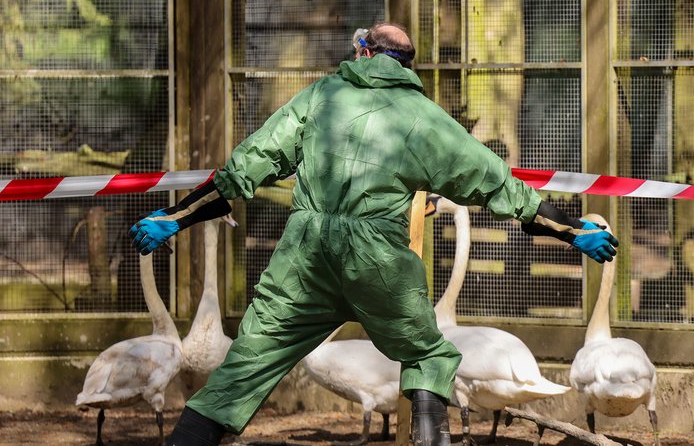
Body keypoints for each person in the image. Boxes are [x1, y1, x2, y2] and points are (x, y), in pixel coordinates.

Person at [129, 22, 618, 446]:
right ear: (408, 67)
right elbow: (501, 189)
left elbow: (240, 173)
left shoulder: (321, 96)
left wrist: (174, 218)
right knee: (426, 354)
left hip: (303, 261)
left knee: (239, 372)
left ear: (362, 52)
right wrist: (571, 231)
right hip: (380, 263)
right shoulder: (427, 120)